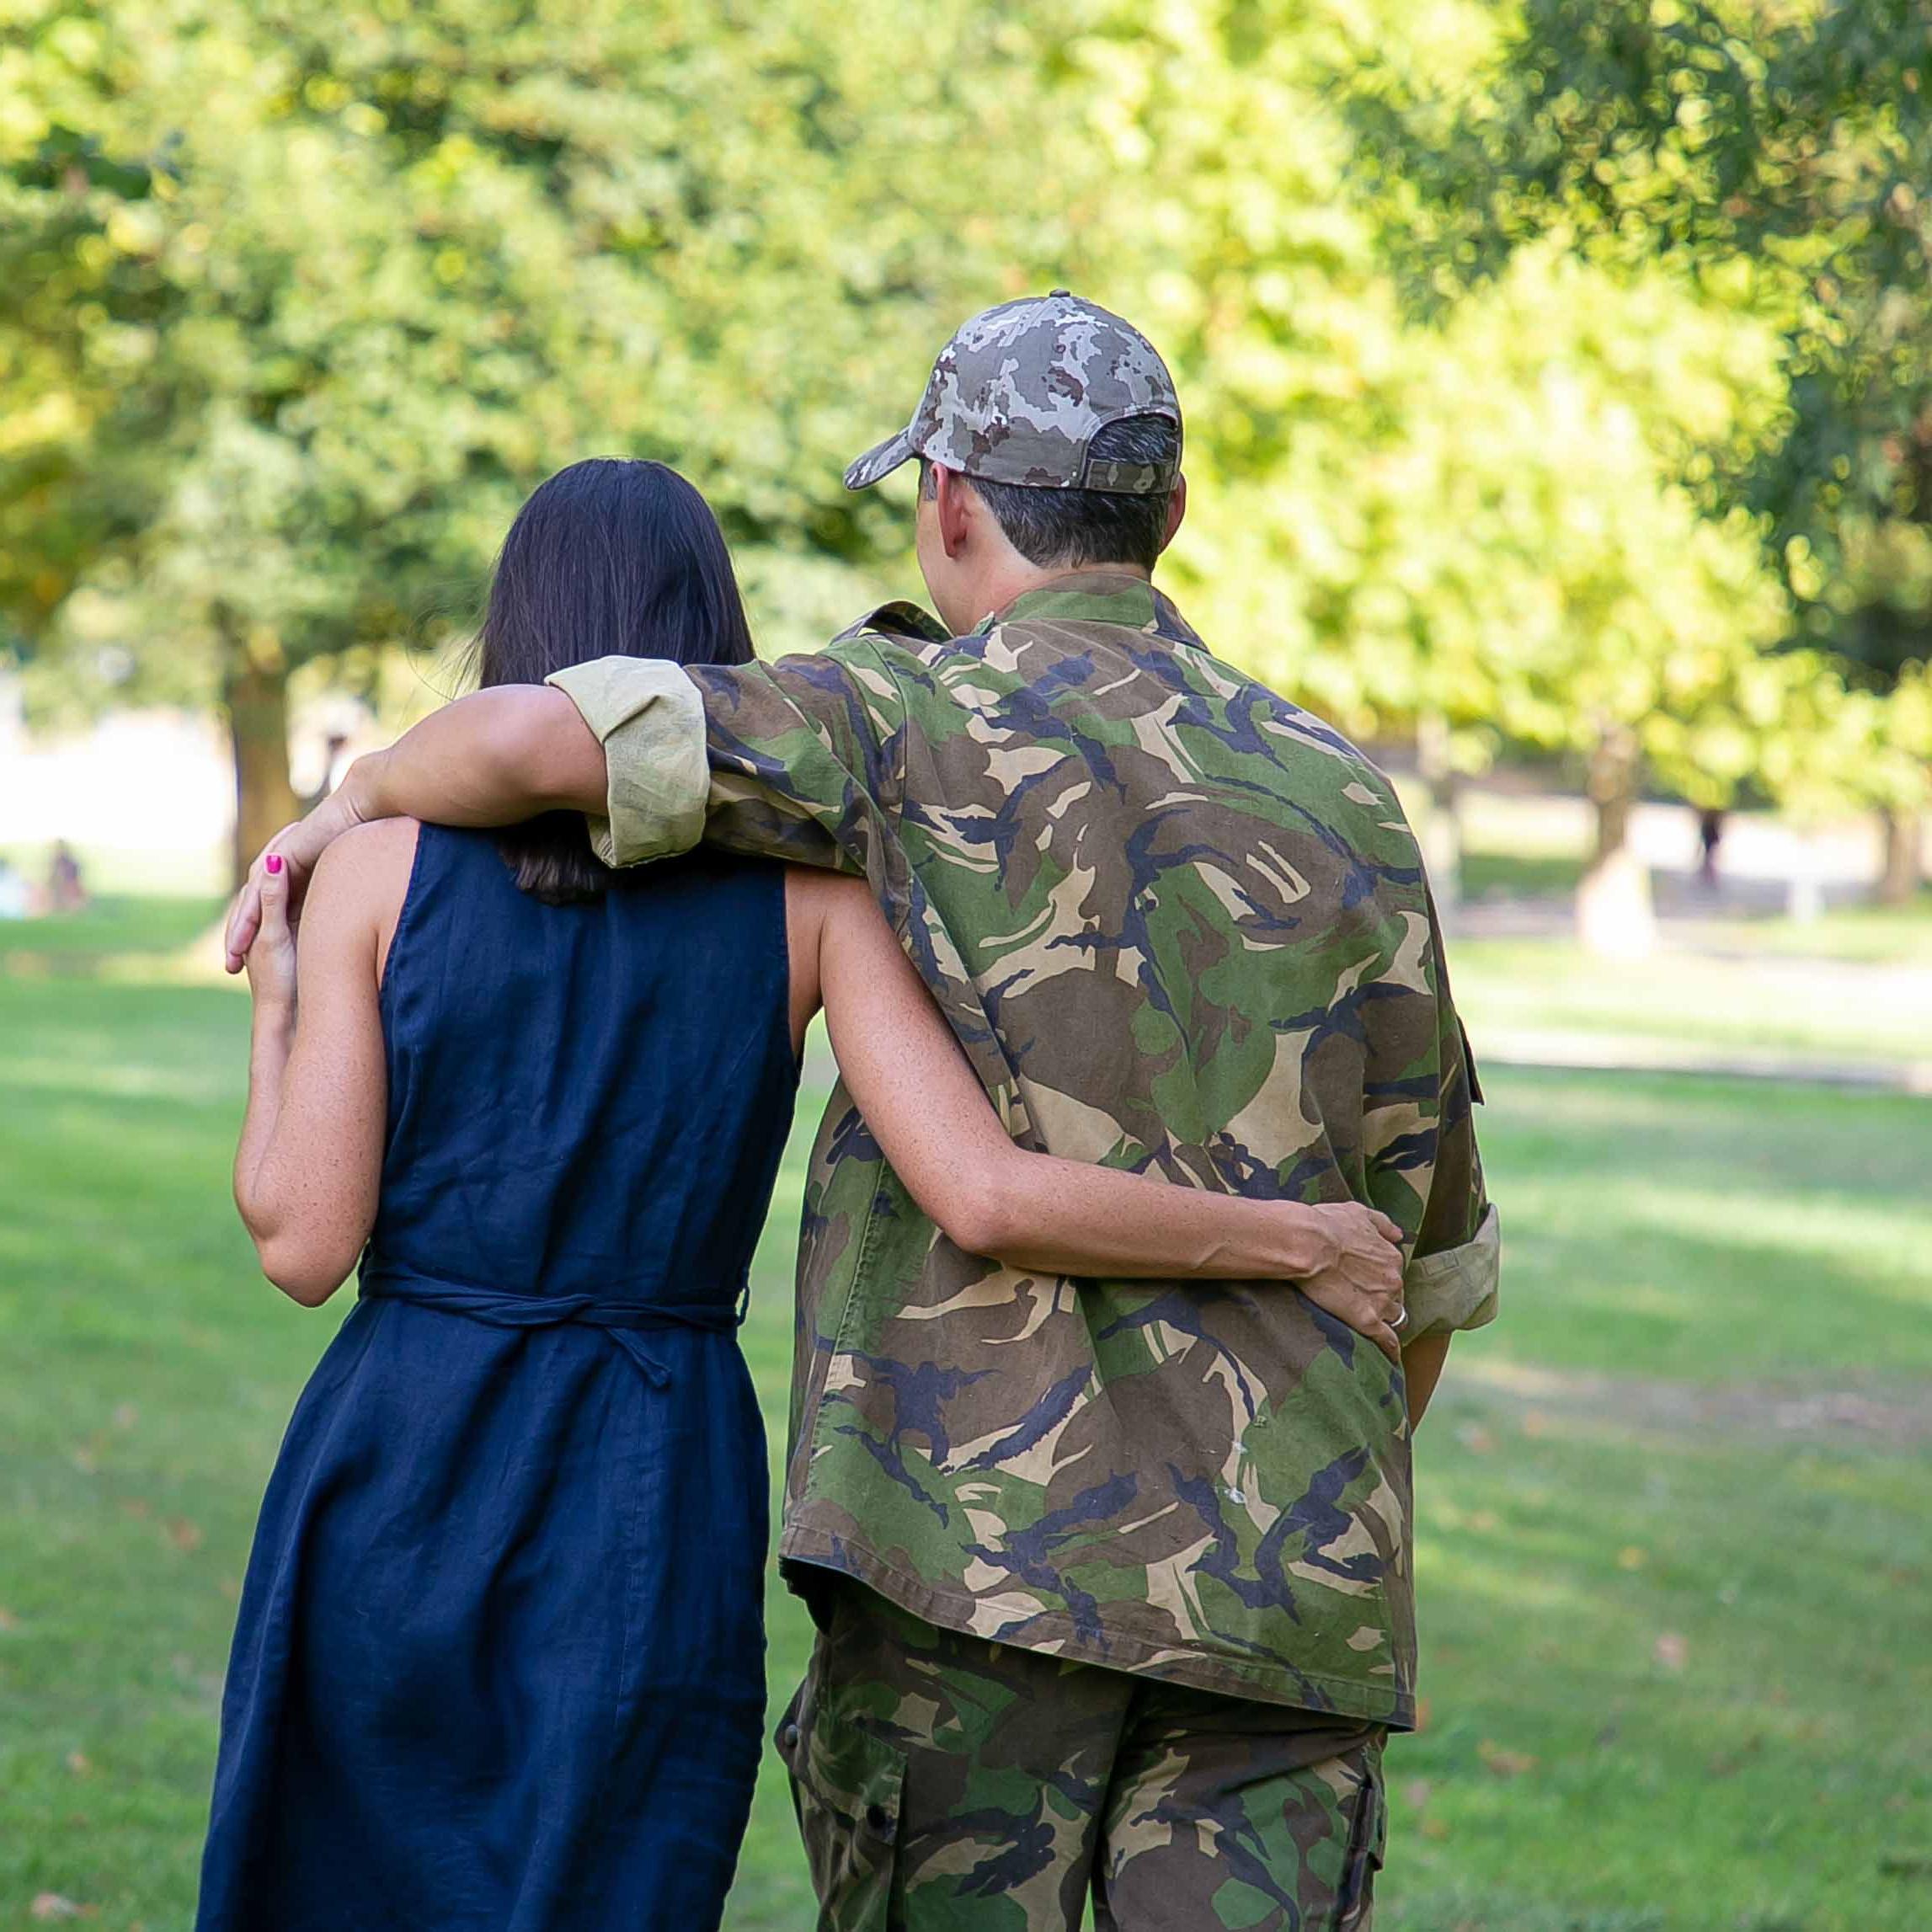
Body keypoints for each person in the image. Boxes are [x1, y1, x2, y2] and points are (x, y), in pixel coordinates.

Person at [229, 296, 1500, 1929]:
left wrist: (342, 805)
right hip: (1275, 1583)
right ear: (1169, 514)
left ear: (952, 502)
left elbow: (538, 742)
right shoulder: (1348, 795)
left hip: (970, 1571)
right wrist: (1283, 1459)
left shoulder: (883, 726)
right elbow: (1429, 1262)